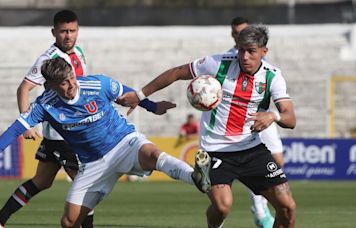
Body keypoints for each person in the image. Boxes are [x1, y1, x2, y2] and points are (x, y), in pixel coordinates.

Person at [0, 9, 176, 228]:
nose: (68, 35)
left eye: (72, 31)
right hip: (67, 134)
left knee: (42, 181)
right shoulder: (49, 60)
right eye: (63, 31)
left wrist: (149, 105)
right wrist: (27, 122)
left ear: (78, 31)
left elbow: (90, 90)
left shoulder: (78, 52)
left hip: (68, 131)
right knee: (86, 188)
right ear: (54, 32)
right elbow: (24, 88)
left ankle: (0, 218)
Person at [0, 58, 211, 228]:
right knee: (69, 222)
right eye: (62, 82)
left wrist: (152, 106)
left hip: (123, 143)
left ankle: (195, 177)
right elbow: (16, 128)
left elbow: (127, 95)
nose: (70, 84)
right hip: (92, 165)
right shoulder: (45, 105)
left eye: (71, 77)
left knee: (151, 154)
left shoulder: (97, 84)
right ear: (49, 85)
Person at [117, 24, 296, 228]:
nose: (245, 57)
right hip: (215, 150)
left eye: (251, 51)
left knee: (287, 207)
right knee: (222, 207)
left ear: (264, 51)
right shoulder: (218, 64)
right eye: (241, 50)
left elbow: (290, 119)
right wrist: (140, 96)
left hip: (252, 149)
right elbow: (177, 72)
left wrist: (273, 115)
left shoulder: (273, 76)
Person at [230, 16, 286, 228]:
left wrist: (273, 114)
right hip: (238, 120)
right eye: (236, 34)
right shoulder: (232, 56)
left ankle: (258, 203)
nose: (239, 37)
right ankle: (260, 208)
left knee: (277, 161)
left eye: (242, 32)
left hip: (262, 114)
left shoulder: (259, 57)